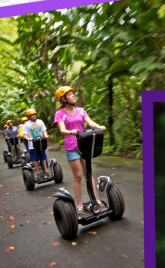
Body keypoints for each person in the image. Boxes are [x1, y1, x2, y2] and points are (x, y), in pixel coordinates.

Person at [53, 86, 106, 215]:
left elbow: (90, 123)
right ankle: (79, 205)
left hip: (84, 145)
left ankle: (96, 200)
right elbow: (62, 130)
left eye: (73, 94)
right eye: (70, 95)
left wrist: (99, 127)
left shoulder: (81, 111)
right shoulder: (60, 114)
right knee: (77, 176)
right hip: (71, 147)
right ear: (64, 99)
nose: (73, 96)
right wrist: (71, 131)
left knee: (88, 173)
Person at [21, 109, 48, 177]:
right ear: (29, 116)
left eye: (34, 114)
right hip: (32, 145)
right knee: (35, 159)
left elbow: (44, 130)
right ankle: (38, 173)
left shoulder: (40, 122)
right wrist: (29, 139)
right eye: (32, 115)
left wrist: (45, 135)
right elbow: (25, 135)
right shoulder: (27, 124)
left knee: (44, 157)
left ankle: (46, 171)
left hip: (41, 143)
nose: (34, 116)